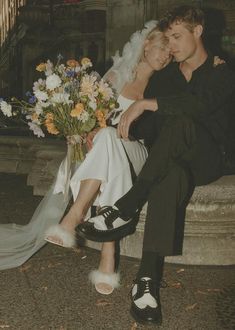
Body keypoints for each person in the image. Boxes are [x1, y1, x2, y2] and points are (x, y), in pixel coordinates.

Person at [77, 5, 235, 325]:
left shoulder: (221, 71)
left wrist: (148, 103)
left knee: (180, 122)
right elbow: (148, 128)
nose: (172, 45)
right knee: (170, 174)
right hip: (174, 161)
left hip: (211, 157)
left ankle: (128, 204)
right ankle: (146, 282)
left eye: (178, 36)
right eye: (169, 38)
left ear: (198, 31)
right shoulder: (166, 78)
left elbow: (198, 105)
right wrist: (108, 128)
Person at [0, 21, 172, 296]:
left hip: (140, 153)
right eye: (162, 48)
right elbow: (89, 116)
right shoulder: (116, 77)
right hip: (109, 151)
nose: (165, 56)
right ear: (146, 44)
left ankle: (75, 215)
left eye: (170, 53)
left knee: (109, 138)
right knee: (105, 138)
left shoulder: (164, 81)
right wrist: (83, 133)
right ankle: (108, 250)